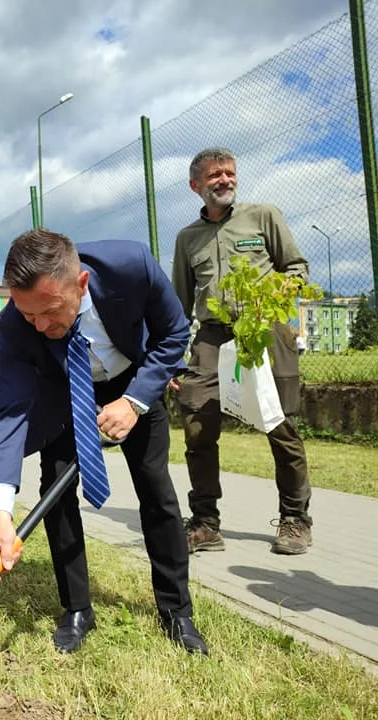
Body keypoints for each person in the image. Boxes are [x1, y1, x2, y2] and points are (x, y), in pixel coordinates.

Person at [0, 229, 208, 655]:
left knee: (156, 490)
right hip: (65, 389)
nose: (41, 325)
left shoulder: (130, 266)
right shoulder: (15, 322)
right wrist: (1, 513)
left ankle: (177, 611)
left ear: (80, 284)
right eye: (31, 317)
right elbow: (9, 412)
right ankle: (77, 609)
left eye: (49, 310)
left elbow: (174, 334)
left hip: (133, 379)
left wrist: (135, 401)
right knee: (56, 489)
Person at [172, 147, 313, 556]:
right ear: (196, 185)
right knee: (197, 425)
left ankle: (295, 519)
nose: (225, 181)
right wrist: (171, 359)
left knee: (280, 425)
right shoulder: (187, 239)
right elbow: (178, 305)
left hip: (265, 332)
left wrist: (271, 294)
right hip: (213, 339)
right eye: (215, 175)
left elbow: (297, 269)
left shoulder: (263, 216)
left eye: (230, 173)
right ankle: (205, 523)